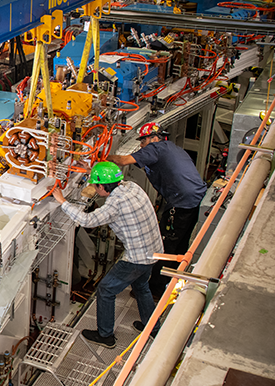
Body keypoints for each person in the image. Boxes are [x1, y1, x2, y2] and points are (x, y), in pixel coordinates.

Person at [52, 161, 162, 348]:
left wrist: (62, 201)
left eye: (96, 186)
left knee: (106, 289)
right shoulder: (131, 187)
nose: (94, 189)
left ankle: (105, 336)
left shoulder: (114, 205)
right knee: (141, 286)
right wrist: (90, 172)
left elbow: (86, 220)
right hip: (155, 251)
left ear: (102, 186)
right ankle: (153, 327)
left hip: (137, 258)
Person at [107, 122, 207, 302]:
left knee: (166, 245)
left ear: (153, 138)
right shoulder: (170, 148)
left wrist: (102, 157)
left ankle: (155, 290)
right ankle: (173, 279)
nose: (141, 146)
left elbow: (123, 161)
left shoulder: (156, 148)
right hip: (194, 199)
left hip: (182, 203)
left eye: (143, 141)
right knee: (180, 243)